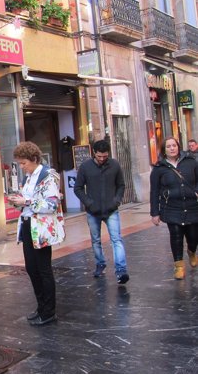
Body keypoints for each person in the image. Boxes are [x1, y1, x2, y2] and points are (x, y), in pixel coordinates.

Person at [8, 141, 65, 326]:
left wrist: (26, 201)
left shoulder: (48, 176)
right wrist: (17, 201)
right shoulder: (28, 177)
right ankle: (41, 307)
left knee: (43, 270)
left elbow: (52, 204)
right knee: (32, 270)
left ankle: (49, 311)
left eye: (23, 163)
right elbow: (28, 201)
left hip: (40, 228)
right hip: (27, 225)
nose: (22, 167)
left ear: (33, 159)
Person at [73, 140, 129, 284]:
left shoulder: (115, 165)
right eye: (99, 157)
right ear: (94, 153)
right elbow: (78, 188)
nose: (102, 159)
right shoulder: (85, 167)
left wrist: (116, 201)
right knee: (96, 240)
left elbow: (121, 185)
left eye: (105, 156)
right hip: (93, 211)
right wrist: (89, 203)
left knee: (116, 239)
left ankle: (121, 270)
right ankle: (100, 264)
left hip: (111, 209)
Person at [149, 137, 198, 280]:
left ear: (178, 147)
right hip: (171, 207)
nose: (172, 148)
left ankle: (192, 250)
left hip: (192, 206)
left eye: (174, 145)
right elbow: (154, 191)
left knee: (194, 236)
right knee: (176, 236)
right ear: (164, 150)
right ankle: (179, 266)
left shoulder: (191, 162)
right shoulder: (159, 169)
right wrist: (154, 213)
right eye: (168, 146)